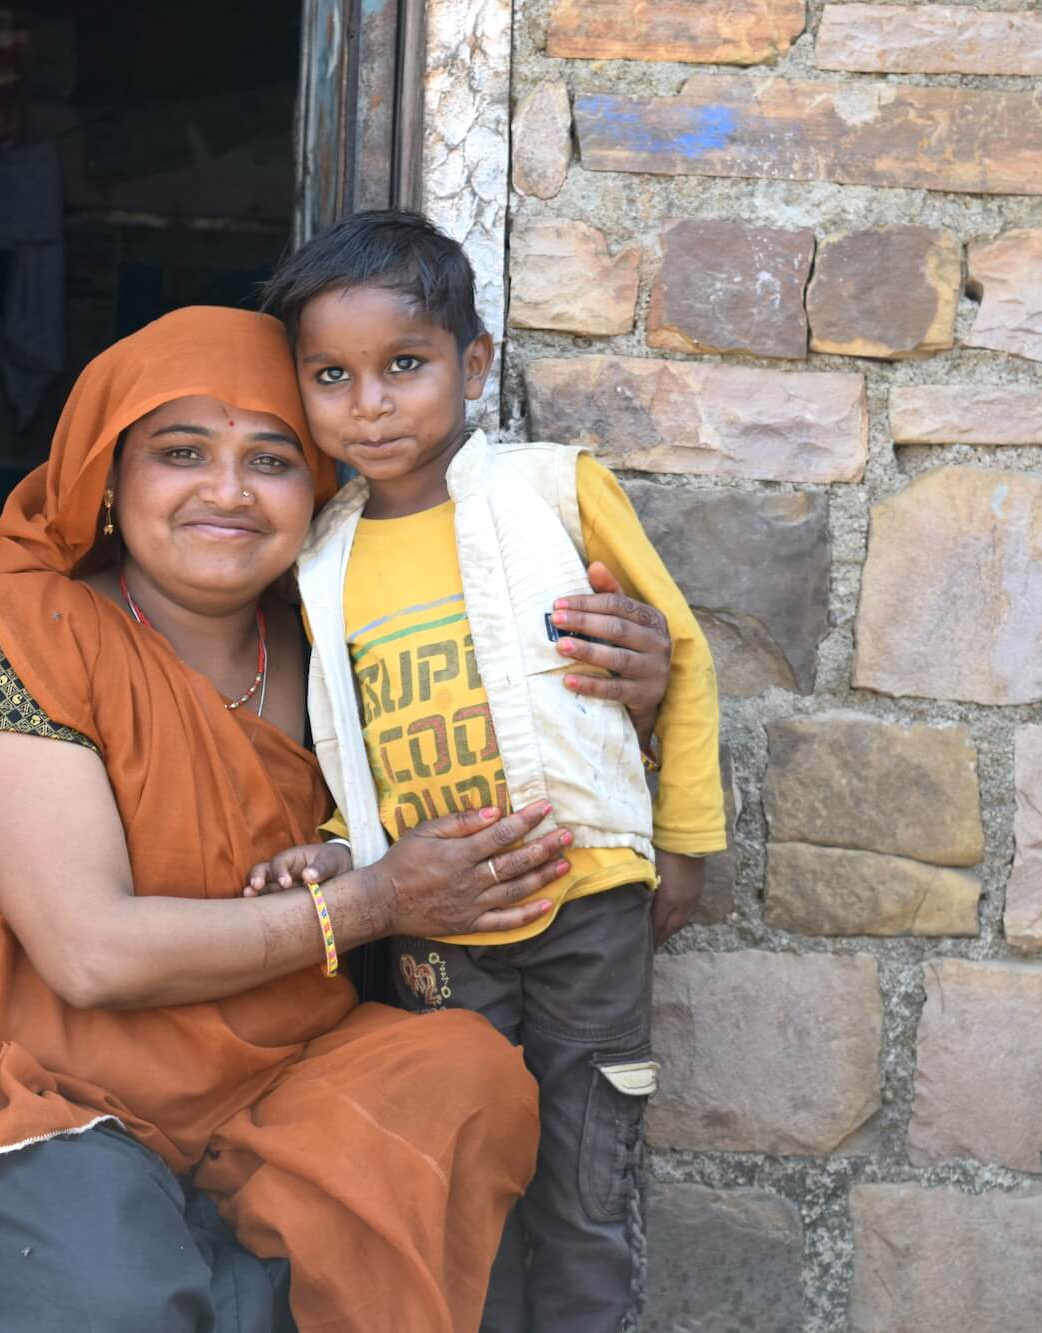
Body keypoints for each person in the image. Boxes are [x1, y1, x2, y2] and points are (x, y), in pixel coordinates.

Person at [0, 307, 679, 1333]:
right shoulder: (24, 639)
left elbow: (518, 760)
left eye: (272, 460)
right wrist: (373, 900)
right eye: (181, 452)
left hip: (263, 1069)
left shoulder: (340, 641)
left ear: (317, 486)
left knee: (460, 1080)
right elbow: (92, 954)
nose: (228, 491)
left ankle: (205, 1271)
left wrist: (629, 692)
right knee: (111, 1287)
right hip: (1, 1070)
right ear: (109, 481)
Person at [244, 211, 727, 1332]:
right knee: (465, 1174)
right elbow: (349, 733)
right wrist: (342, 846)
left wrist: (686, 845)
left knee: (584, 1177)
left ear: (472, 364)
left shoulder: (554, 491)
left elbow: (682, 658)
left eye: (403, 366)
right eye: (331, 376)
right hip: (436, 925)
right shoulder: (320, 555)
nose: (369, 404)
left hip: (584, 896)